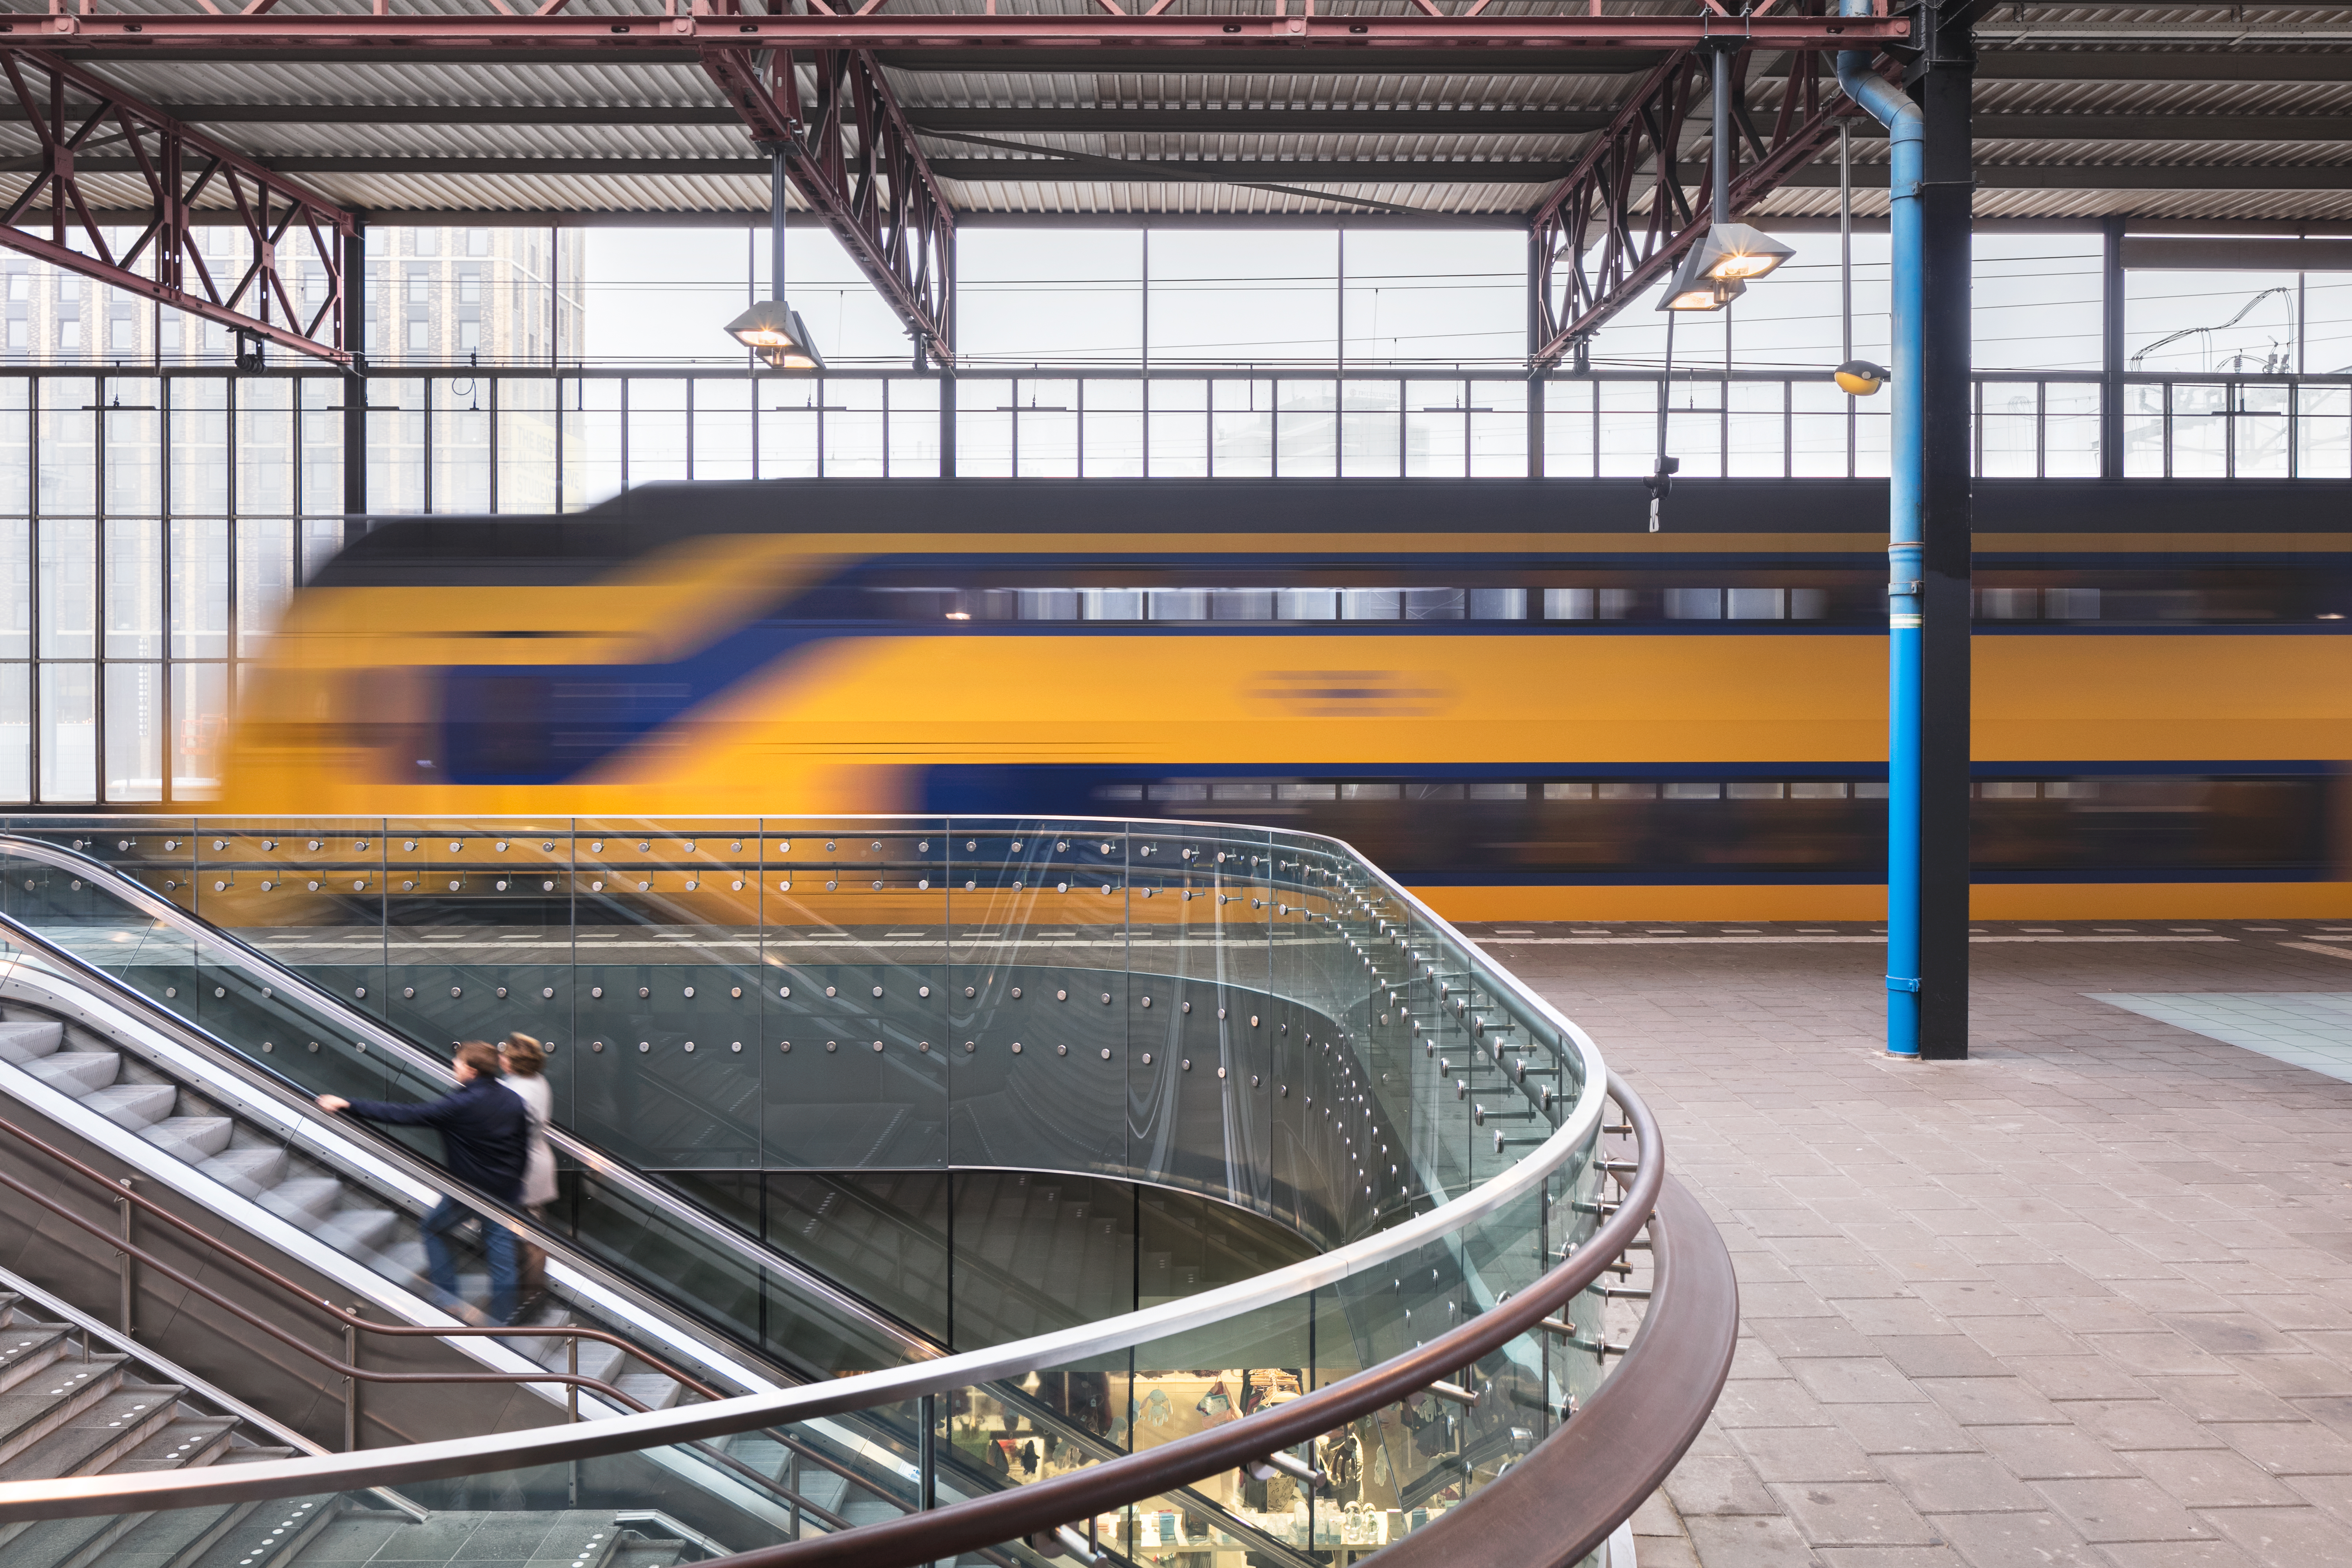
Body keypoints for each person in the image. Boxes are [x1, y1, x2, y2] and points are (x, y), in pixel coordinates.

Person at [317, 1040, 528, 1325]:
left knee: (433, 1228)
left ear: (471, 1069)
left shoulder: (461, 1104)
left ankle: (448, 1301)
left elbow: (407, 1115)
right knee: (500, 1251)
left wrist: (350, 1105)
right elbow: (522, 1147)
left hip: (469, 1191)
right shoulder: (512, 1099)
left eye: (458, 1061)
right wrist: (514, 1184)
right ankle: (504, 1322)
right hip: (505, 1191)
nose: (454, 1065)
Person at [498, 1031, 560, 1314]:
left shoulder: (517, 1093)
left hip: (525, 1168)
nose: (500, 1058)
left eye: (505, 1054)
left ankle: (531, 1298)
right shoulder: (537, 1081)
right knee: (530, 1232)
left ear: (513, 1062)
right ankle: (532, 1295)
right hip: (538, 1161)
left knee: (530, 1237)